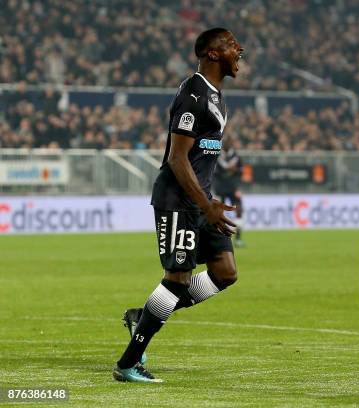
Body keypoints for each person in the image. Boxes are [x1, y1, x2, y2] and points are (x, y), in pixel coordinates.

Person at [113, 27, 244, 383]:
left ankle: (146, 315)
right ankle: (128, 363)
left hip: (200, 200)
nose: (240, 50)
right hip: (179, 201)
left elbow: (201, 159)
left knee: (225, 273)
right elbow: (177, 158)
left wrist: (208, 201)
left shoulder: (217, 96)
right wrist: (206, 204)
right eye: (232, 45)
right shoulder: (194, 93)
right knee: (177, 279)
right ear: (213, 53)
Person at [213, 137, 246, 247]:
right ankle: (218, 238)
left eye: (228, 143)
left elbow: (241, 173)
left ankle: (238, 239)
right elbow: (214, 173)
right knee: (217, 214)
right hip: (221, 189)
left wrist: (238, 188)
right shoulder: (217, 156)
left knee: (239, 211)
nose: (226, 145)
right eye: (225, 143)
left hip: (233, 188)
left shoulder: (236, 157)